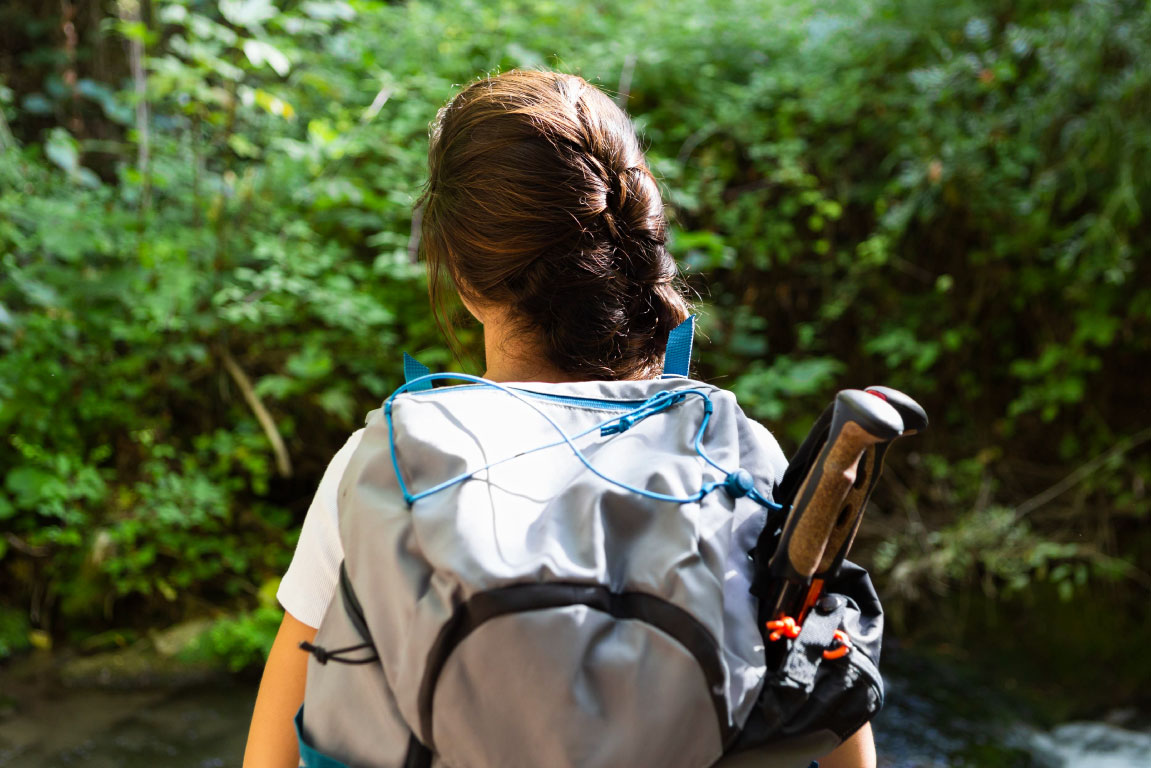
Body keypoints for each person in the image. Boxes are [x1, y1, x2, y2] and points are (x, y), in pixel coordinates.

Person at [242, 69, 875, 768]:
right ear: (633, 239)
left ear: (458, 267)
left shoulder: (386, 465)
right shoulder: (734, 450)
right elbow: (839, 731)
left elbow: (270, 751)